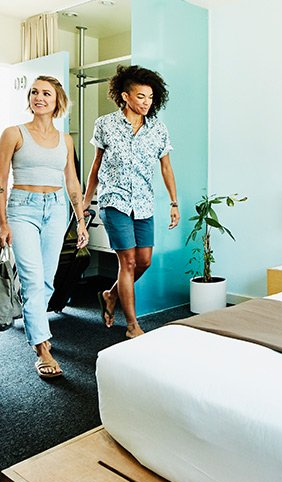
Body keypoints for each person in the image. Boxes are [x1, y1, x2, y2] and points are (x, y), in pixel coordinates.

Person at [0, 75, 88, 379]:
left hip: (57, 209)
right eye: (34, 92)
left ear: (57, 100)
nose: (38, 97)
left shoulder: (65, 139)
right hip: (23, 209)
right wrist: (2, 223)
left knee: (47, 280)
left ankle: (36, 327)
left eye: (46, 93)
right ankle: (41, 347)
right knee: (34, 280)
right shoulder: (14, 134)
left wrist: (81, 219)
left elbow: (72, 181)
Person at [83, 65, 179, 339]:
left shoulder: (158, 129)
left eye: (150, 97)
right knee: (127, 262)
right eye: (140, 97)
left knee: (144, 261)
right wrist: (86, 204)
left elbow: (166, 168)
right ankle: (132, 326)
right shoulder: (105, 125)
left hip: (144, 203)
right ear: (125, 96)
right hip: (115, 201)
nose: (147, 102)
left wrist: (174, 203)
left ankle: (111, 295)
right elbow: (96, 166)